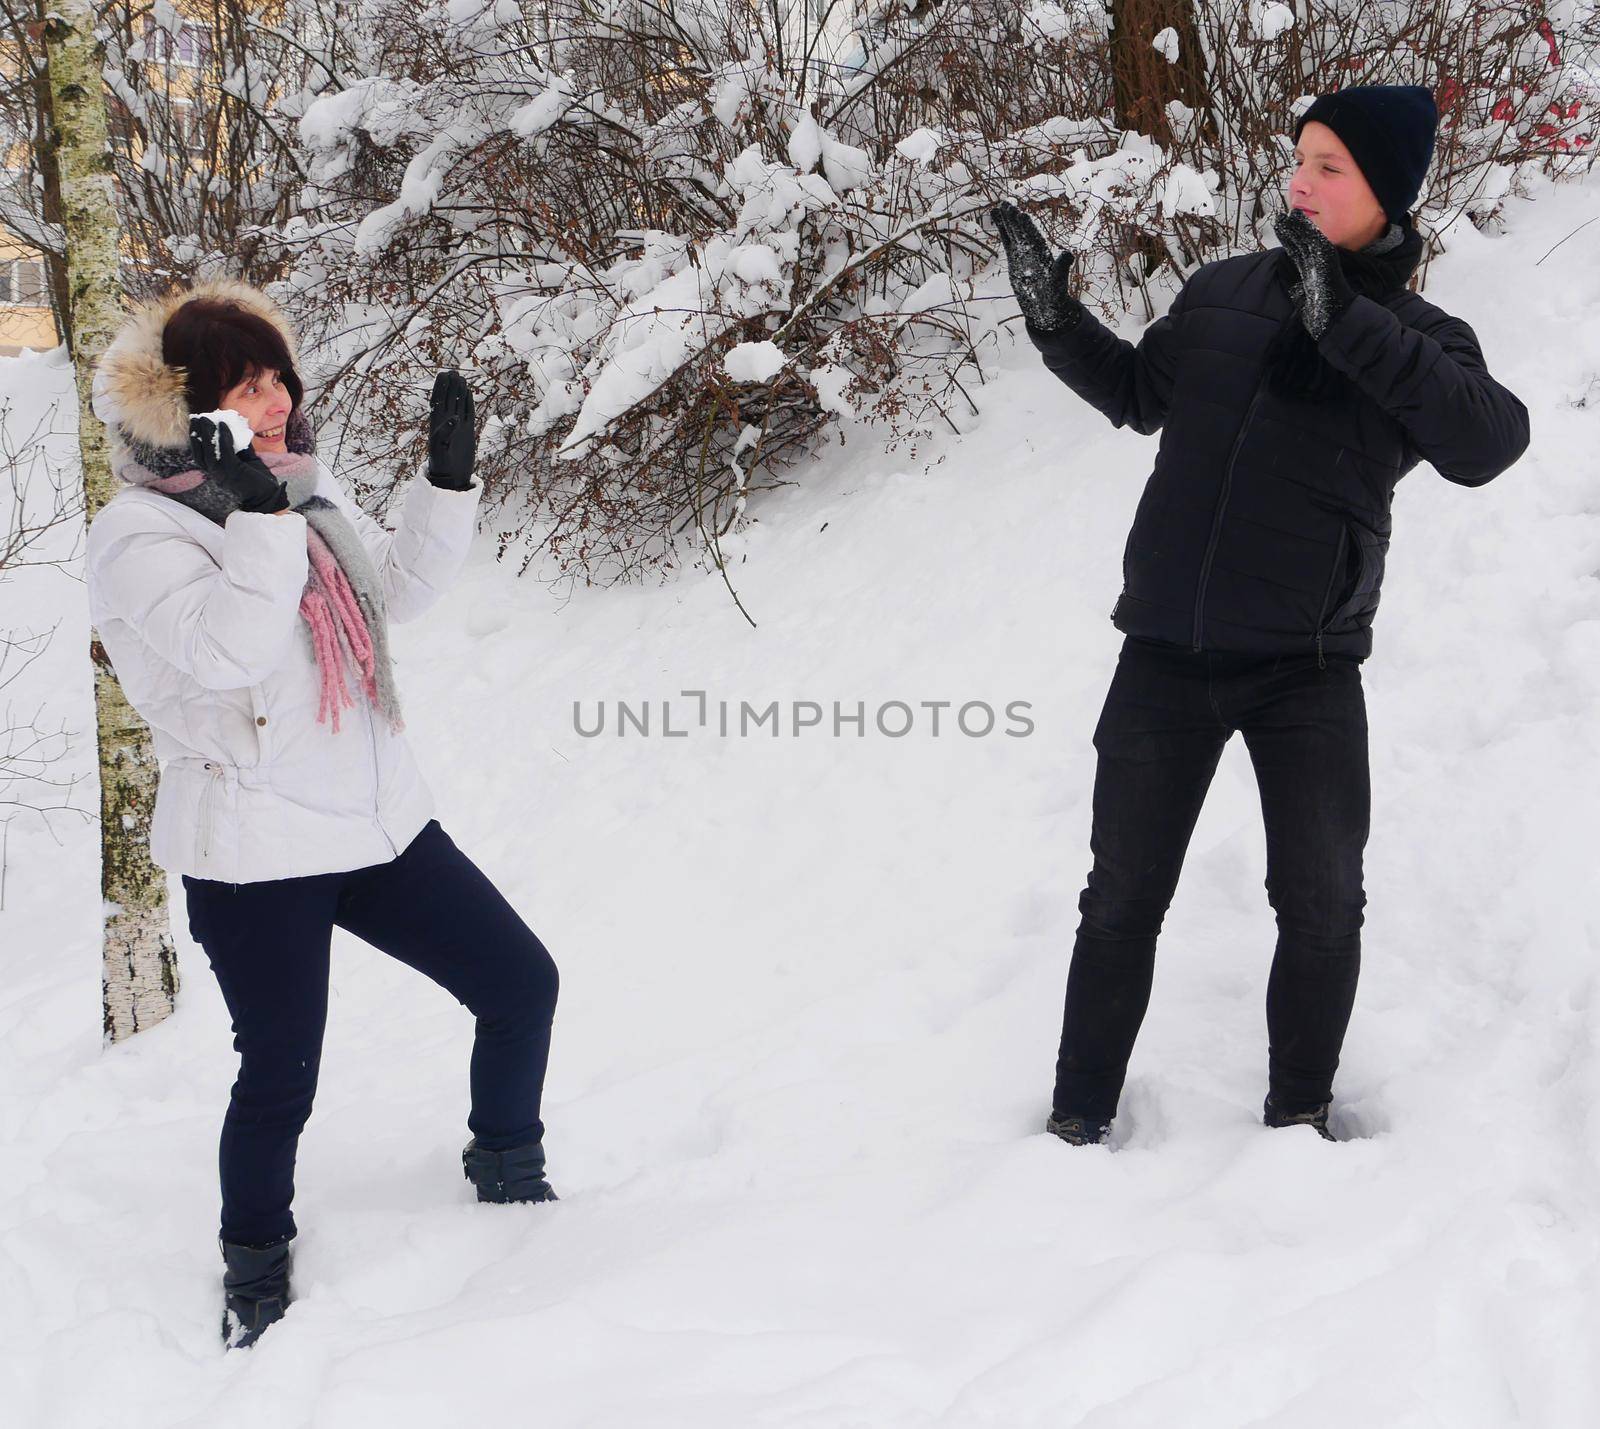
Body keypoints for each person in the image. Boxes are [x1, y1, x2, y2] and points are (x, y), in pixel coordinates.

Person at [990, 85, 1530, 1146]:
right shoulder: (1225, 291)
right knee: (1119, 900)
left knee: (1323, 907)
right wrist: (1056, 324)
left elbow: (1486, 444)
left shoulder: (1422, 338)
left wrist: (1350, 322)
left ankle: (1297, 1116)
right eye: (1300, 160)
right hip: (1165, 655)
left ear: (1386, 195)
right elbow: (1143, 394)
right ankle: (1074, 1120)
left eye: (1331, 167)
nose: (1301, 181)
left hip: (1306, 668)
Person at [85, 279, 561, 1349]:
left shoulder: (293, 481)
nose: (270, 398)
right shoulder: (138, 533)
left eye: (274, 376)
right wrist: (255, 511)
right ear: (184, 408)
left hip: (377, 819)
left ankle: (507, 1161)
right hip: (256, 847)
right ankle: (254, 1264)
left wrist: (446, 483)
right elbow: (225, 650)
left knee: (520, 982)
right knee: (281, 1073)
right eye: (240, 385)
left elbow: (391, 592)